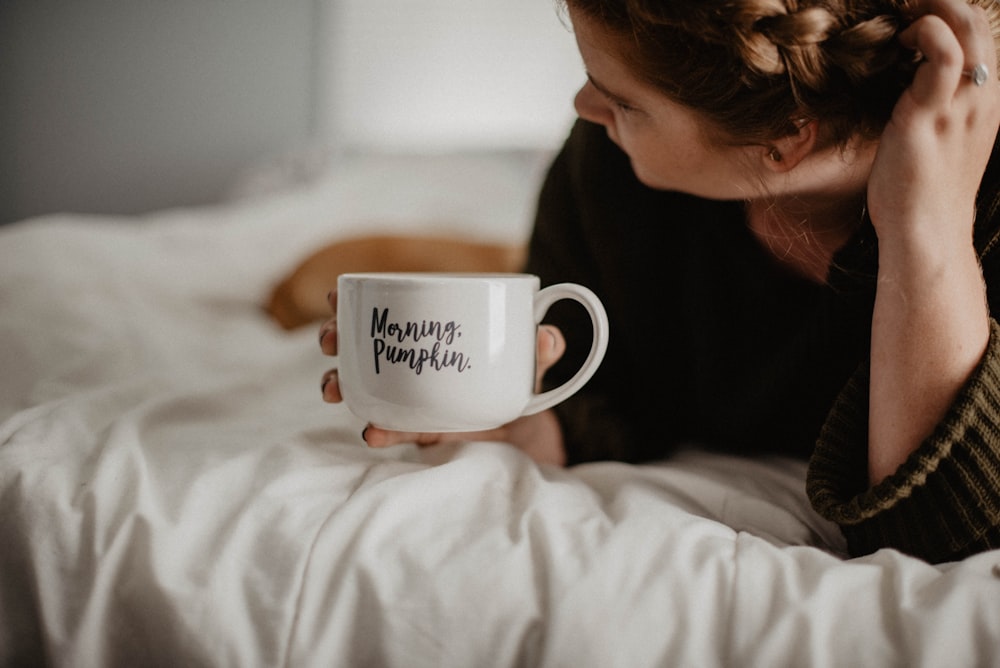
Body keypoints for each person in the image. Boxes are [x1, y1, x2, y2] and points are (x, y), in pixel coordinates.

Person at [319, 0, 1000, 563]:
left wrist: (927, 224)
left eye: (623, 101)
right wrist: (521, 421)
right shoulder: (608, 177)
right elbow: (621, 396)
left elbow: (943, 545)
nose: (584, 105)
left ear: (788, 135)